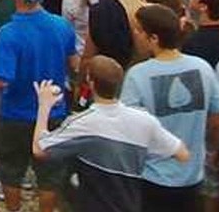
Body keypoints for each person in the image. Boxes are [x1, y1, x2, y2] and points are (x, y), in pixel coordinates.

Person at [29, 61, 188, 212]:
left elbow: (40, 149)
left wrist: (44, 106)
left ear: (91, 82)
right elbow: (182, 154)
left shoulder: (83, 123)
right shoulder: (145, 121)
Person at [0, 0, 77, 212]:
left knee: (10, 171)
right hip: (53, 112)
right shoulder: (61, 26)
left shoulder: (9, 33)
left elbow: (2, 78)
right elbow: (73, 63)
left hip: (15, 114)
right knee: (49, 178)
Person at [120, 5, 219, 212]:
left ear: (154, 38)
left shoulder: (137, 75)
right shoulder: (202, 68)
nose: (135, 35)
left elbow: (127, 131)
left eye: (139, 30)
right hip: (193, 175)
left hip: (151, 176)